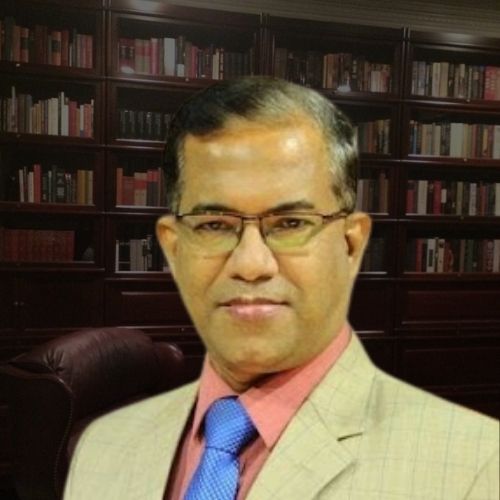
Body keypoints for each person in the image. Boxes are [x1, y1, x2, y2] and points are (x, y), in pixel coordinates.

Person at [64, 77, 499, 500]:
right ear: (174, 248)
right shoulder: (101, 449)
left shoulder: (477, 468)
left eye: (291, 223)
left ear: (351, 244)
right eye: (214, 224)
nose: (251, 264)